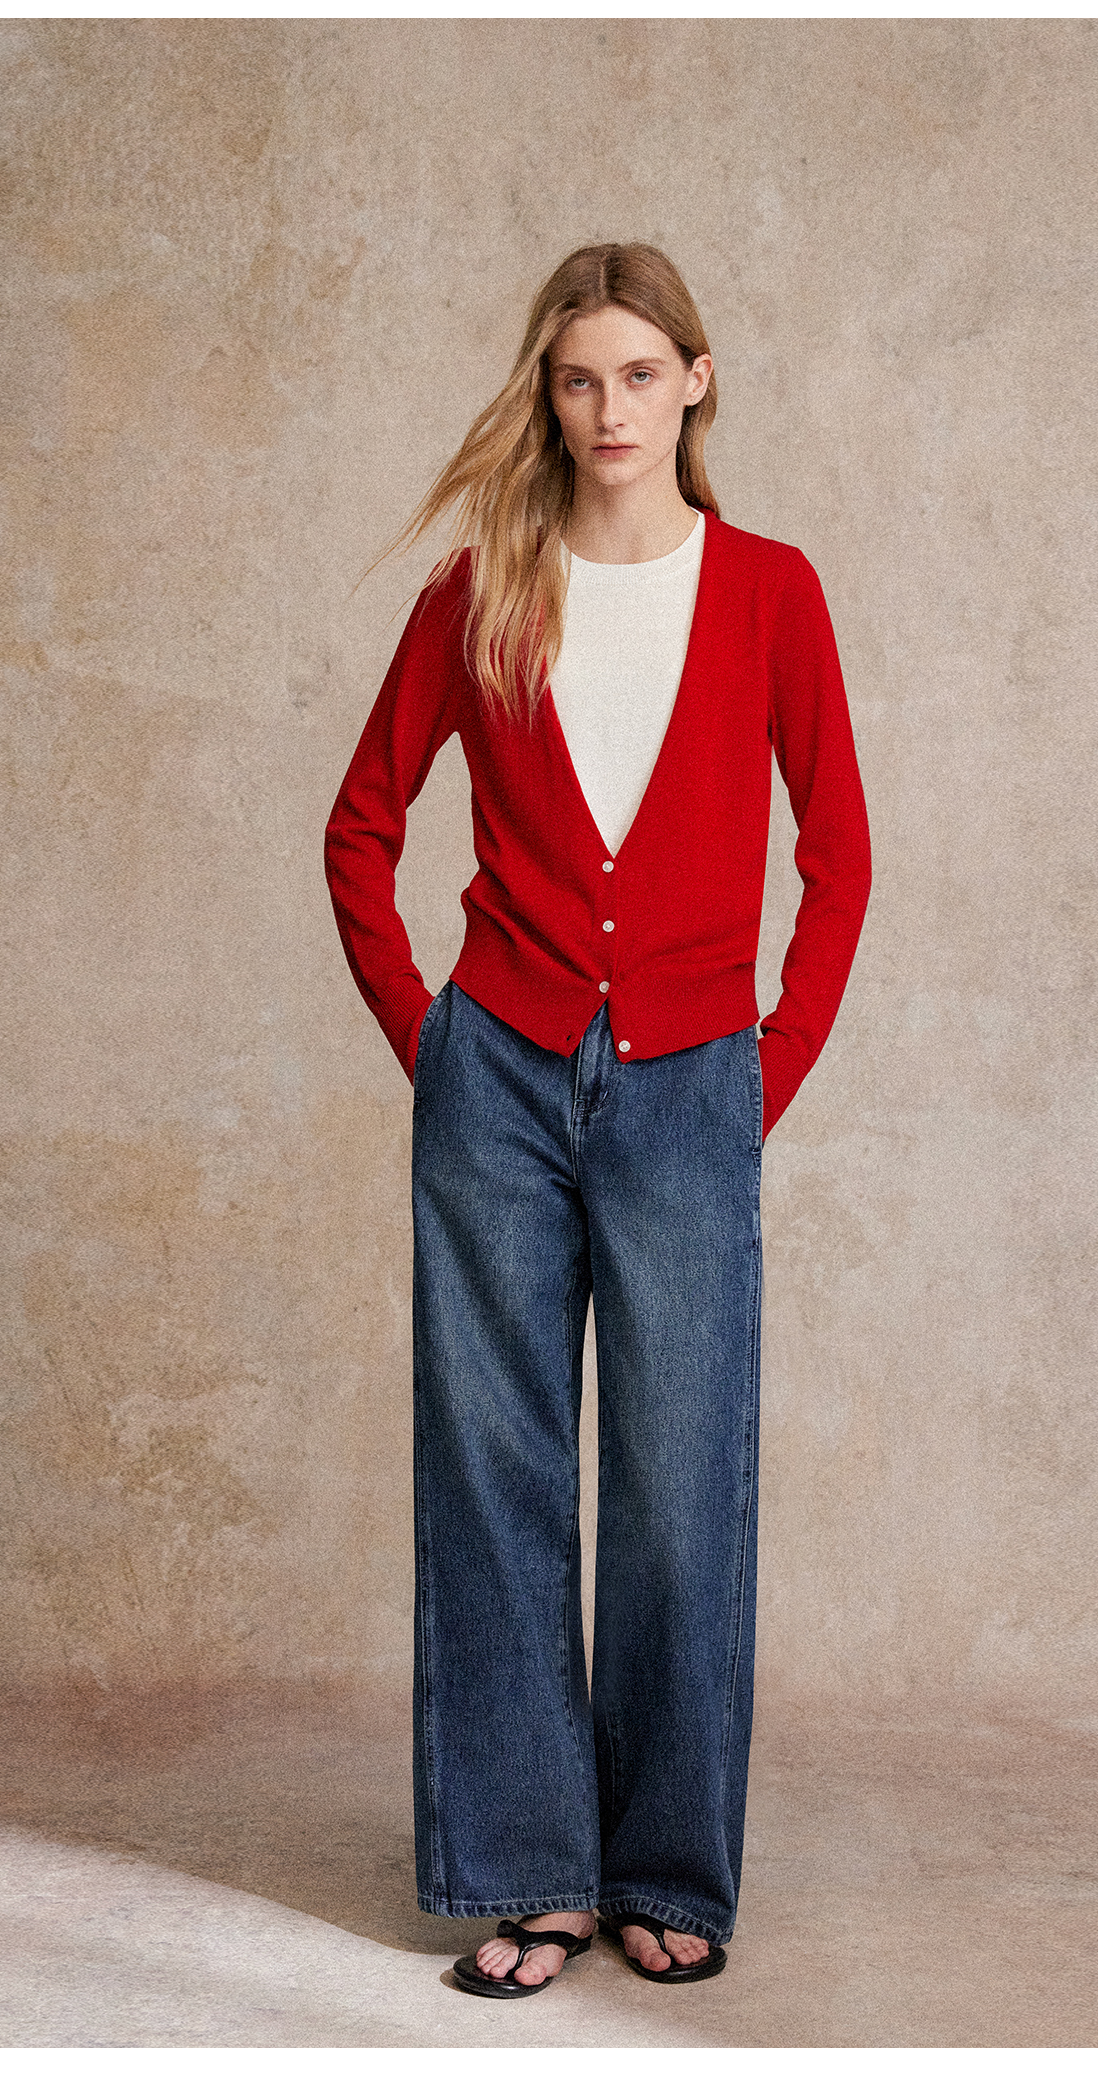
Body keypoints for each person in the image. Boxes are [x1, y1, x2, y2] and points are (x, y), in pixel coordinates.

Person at [324, 242, 871, 1997]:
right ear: (546, 394)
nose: (609, 409)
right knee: (495, 1472)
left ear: (696, 380)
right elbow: (360, 826)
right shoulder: (483, 590)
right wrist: (432, 1043)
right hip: (498, 1076)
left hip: (693, 1078)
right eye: (578, 379)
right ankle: (530, 1868)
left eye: (640, 374)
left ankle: (667, 1867)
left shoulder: (771, 592)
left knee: (679, 1488)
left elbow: (841, 857)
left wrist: (765, 1069)